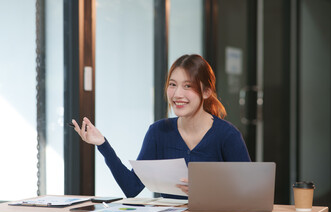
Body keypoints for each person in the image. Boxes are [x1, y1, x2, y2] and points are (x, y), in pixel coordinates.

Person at [72, 54, 251, 199]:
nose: (177, 94)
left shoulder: (227, 135)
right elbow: (132, 188)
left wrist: (206, 188)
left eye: (188, 86)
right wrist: (102, 145)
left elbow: (250, 192)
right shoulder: (158, 132)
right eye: (172, 85)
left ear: (206, 92)